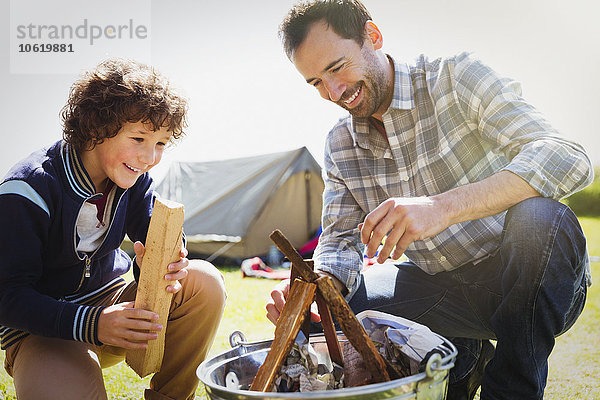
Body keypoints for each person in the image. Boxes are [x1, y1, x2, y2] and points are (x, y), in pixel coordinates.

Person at [266, 1, 593, 399]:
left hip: (530, 282)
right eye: (316, 82)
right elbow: (337, 241)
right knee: (333, 306)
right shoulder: (340, 144)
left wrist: (442, 206)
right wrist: (316, 288)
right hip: (442, 291)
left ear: (373, 37)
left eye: (337, 67)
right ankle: (460, 364)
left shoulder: (455, 77)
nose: (335, 91)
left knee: (540, 217)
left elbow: (567, 156)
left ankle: (509, 389)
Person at [0, 59, 227, 400]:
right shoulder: (27, 188)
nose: (150, 156)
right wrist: (92, 323)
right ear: (96, 127)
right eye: (139, 138)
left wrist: (168, 258)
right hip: (42, 332)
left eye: (162, 143)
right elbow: (8, 297)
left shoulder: (133, 178)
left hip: (117, 308)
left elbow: (155, 233)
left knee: (204, 280)